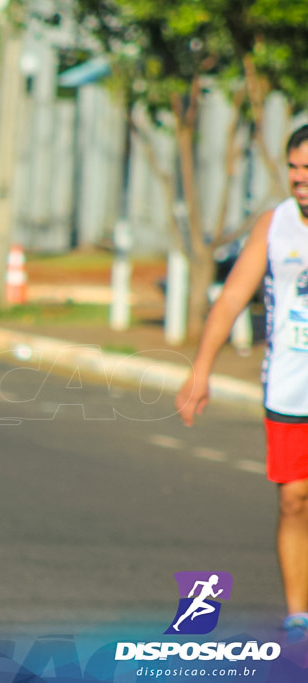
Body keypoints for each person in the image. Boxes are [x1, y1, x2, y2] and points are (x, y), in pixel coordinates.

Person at [176, 123, 308, 636]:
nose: (300, 179)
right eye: (294, 168)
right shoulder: (275, 225)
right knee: (295, 497)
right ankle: (299, 614)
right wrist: (200, 372)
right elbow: (232, 297)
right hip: (292, 387)